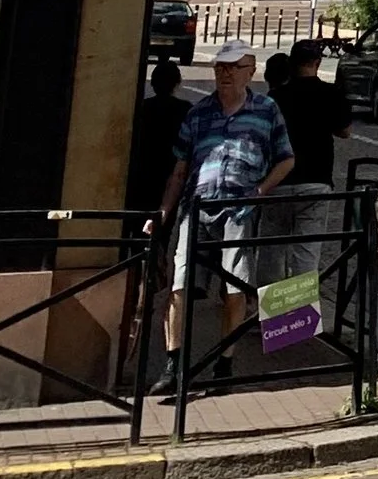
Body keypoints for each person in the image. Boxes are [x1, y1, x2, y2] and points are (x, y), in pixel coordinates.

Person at [150, 39, 294, 370]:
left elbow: (286, 159)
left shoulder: (266, 111)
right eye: (220, 67)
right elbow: (179, 170)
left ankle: (225, 361)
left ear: (251, 72)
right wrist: (163, 212)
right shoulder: (198, 113)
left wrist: (260, 191)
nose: (224, 74)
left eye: (232, 67)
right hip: (196, 207)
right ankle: (174, 364)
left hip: (239, 209)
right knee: (180, 284)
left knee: (236, 287)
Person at [275, 37, 351, 190]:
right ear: (318, 62)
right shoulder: (332, 93)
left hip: (280, 178)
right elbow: (345, 131)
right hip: (317, 177)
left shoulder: (276, 96)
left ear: (291, 63)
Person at [126, 55, 187, 214]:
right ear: (177, 83)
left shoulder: (141, 108)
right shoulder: (185, 110)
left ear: (152, 83)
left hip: (142, 174)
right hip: (171, 172)